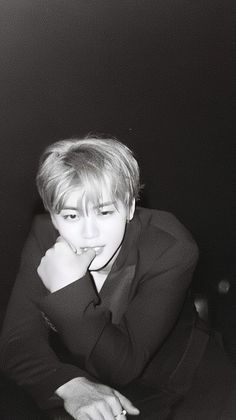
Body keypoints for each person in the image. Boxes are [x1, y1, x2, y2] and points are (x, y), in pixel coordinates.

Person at [0, 135, 235, 420]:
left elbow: (123, 368)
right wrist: (68, 384)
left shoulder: (171, 246)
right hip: (96, 389)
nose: (90, 234)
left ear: (130, 208)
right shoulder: (44, 236)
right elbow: (16, 341)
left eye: (105, 212)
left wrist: (67, 288)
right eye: (72, 216)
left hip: (190, 385)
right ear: (52, 216)